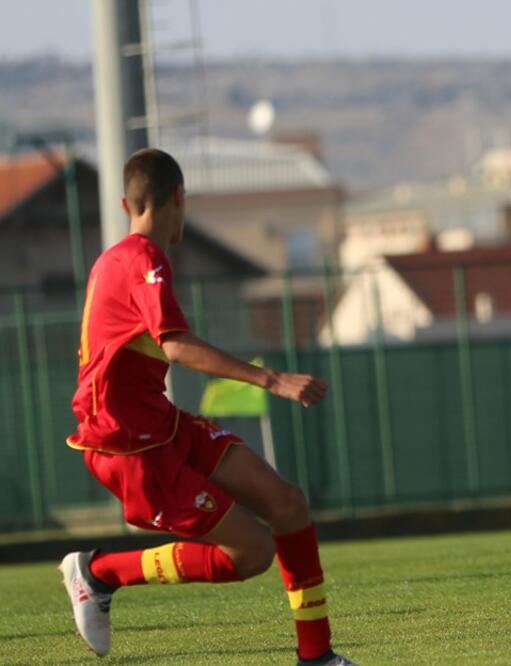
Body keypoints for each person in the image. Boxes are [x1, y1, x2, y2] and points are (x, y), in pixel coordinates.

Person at [59, 148, 358, 664]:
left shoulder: (118, 259)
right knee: (253, 553)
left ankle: (318, 657)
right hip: (128, 447)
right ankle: (99, 573)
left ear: (124, 203)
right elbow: (175, 344)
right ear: (179, 197)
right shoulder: (142, 261)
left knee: (287, 503)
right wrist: (272, 378)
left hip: (162, 427)